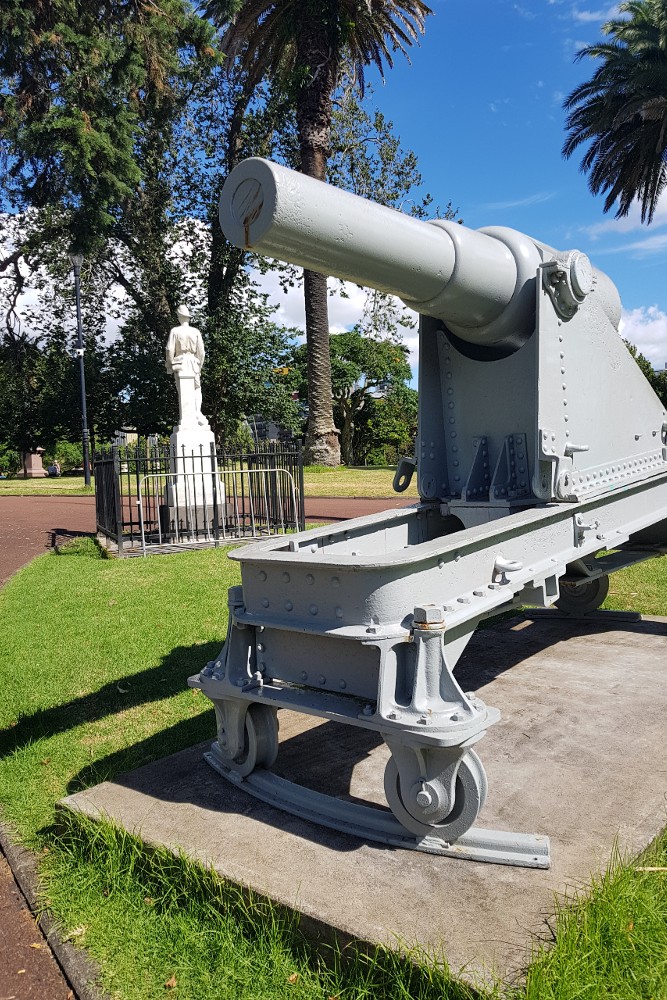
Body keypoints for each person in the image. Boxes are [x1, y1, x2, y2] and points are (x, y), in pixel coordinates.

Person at [165, 305, 208, 430]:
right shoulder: (195, 332)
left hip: (180, 363)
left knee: (183, 392)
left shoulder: (175, 331)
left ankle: (190, 417)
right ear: (188, 318)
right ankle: (196, 414)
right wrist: (199, 365)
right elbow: (202, 352)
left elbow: (169, 349)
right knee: (196, 389)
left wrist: (170, 363)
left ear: (179, 317)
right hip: (194, 363)